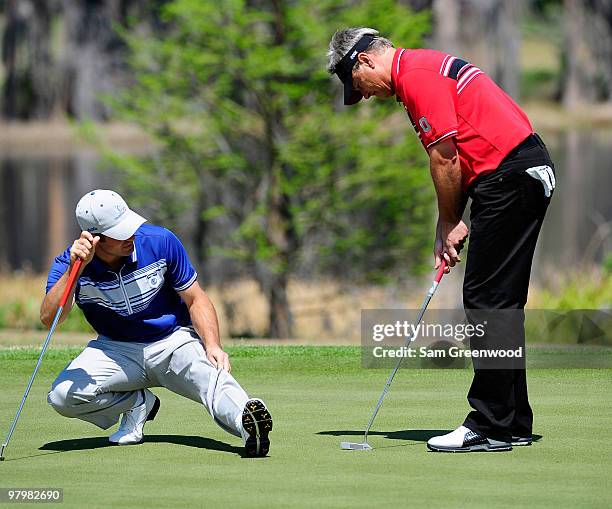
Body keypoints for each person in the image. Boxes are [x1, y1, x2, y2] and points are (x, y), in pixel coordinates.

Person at [327, 28, 555, 452]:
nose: (368, 97)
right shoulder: (422, 65)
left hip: (509, 177)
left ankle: (488, 424)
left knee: (488, 303)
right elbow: (460, 154)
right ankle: (513, 422)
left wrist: (449, 221)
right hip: (517, 172)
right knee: (499, 303)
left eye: (359, 87)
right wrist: (450, 221)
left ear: (364, 62)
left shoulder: (415, 75)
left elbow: (445, 157)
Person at [41, 189, 273, 457]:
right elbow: (49, 318)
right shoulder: (69, 265)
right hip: (115, 350)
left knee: (212, 378)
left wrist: (213, 345)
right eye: (120, 232)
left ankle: (249, 426)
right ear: (95, 239)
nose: (130, 235)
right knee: (61, 396)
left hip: (173, 341)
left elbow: (196, 298)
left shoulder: (159, 241)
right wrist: (75, 270)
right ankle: (136, 403)